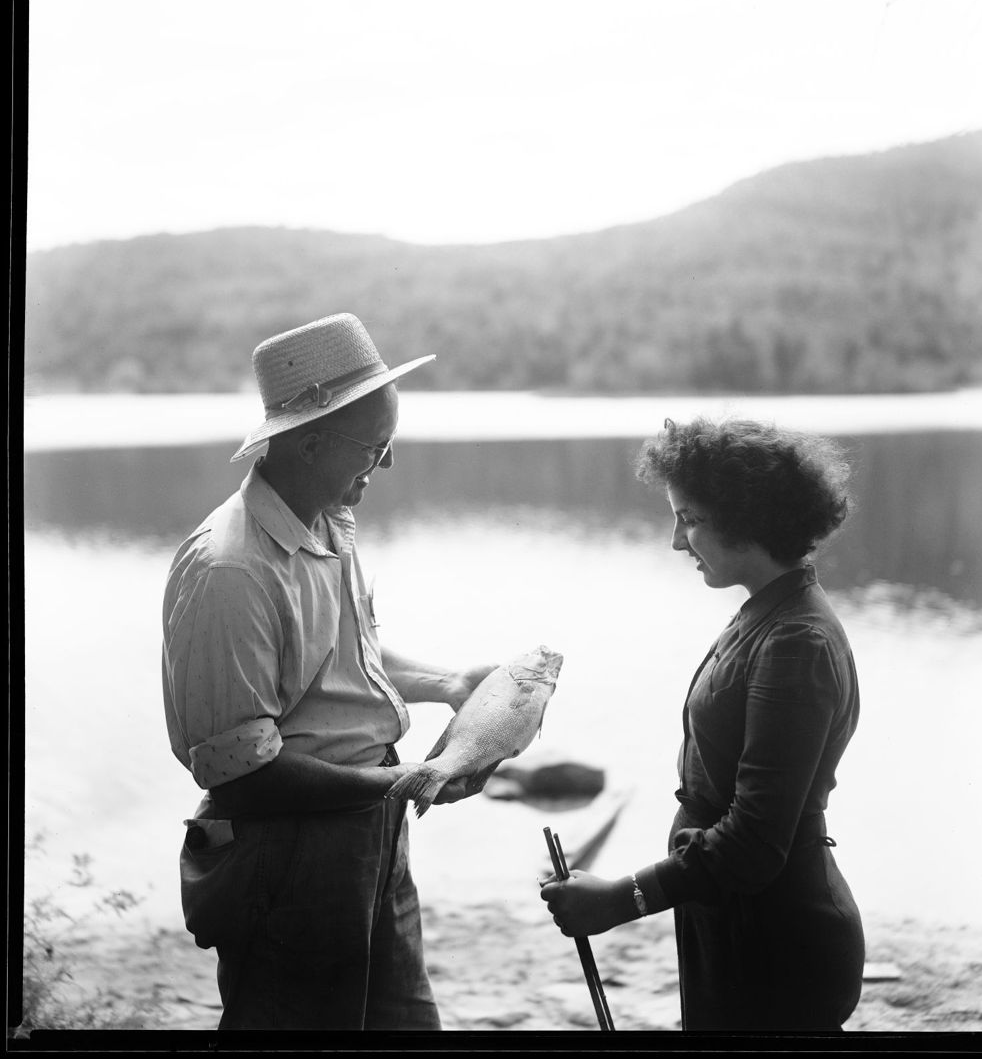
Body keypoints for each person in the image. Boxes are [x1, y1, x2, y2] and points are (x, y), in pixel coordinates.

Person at [162, 313, 497, 1031]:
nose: (388, 465)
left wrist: (450, 684)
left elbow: (346, 663)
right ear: (311, 443)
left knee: (403, 1028)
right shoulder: (231, 569)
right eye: (376, 447)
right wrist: (401, 783)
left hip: (371, 831)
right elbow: (243, 774)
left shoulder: (327, 519)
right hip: (289, 858)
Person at [540, 416, 864, 1032]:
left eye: (689, 519)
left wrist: (623, 897)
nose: (676, 541)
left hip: (779, 941)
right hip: (735, 923)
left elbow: (754, 841)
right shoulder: (766, 614)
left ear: (747, 517)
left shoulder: (797, 641)